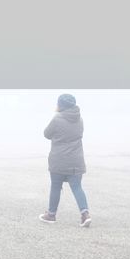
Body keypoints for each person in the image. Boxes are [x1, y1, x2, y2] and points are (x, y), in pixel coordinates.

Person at [39, 93, 91, 227]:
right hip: (76, 160)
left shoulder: (57, 119)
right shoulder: (80, 120)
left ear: (60, 105)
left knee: (56, 186)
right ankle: (85, 214)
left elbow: (46, 134)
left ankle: (51, 215)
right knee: (77, 187)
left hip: (59, 160)